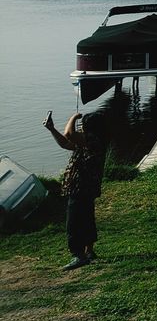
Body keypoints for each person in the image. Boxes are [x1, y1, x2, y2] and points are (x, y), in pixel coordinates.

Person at [43, 111, 107, 270]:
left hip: (81, 188)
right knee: (86, 219)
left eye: (83, 124)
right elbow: (66, 143)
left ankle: (78, 255)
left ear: (89, 127)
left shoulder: (92, 140)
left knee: (74, 223)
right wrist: (52, 129)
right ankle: (89, 251)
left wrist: (73, 117)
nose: (81, 126)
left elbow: (69, 134)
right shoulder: (91, 141)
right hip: (86, 188)